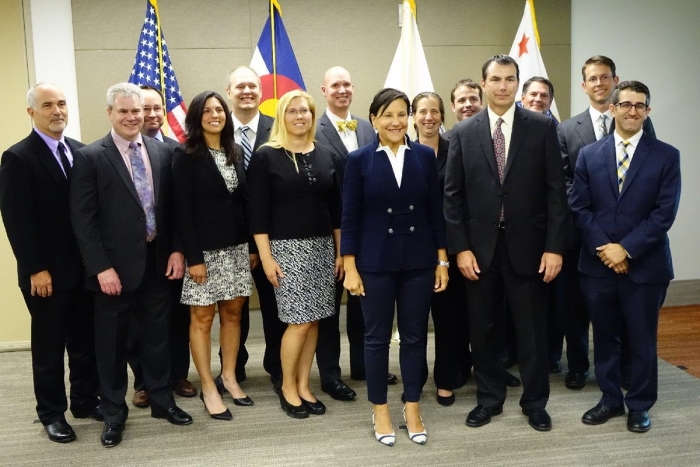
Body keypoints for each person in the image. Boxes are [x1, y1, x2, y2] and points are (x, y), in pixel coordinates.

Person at [444, 55, 568, 432]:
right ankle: (489, 399)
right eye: (495, 79)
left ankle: (535, 402)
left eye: (510, 79)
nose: (503, 86)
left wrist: (554, 247)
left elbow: (555, 194)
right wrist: (460, 248)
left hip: (530, 249)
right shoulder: (463, 132)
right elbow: (453, 197)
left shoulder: (542, 127)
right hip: (479, 252)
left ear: (517, 83)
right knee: (483, 330)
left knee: (532, 331)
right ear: (483, 84)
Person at [70, 82, 192, 447]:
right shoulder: (91, 156)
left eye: (136, 111)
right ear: (110, 113)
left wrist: (176, 250)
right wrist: (100, 267)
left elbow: (171, 210)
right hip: (113, 272)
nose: (131, 117)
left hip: (157, 264)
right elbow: (83, 219)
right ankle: (113, 413)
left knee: (158, 339)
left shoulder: (161, 151)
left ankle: (161, 399)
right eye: (123, 111)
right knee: (111, 345)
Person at [571, 81, 680, 433]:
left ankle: (639, 404)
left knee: (642, 338)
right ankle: (610, 400)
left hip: (645, 266)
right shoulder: (589, 155)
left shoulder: (666, 155)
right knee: (604, 336)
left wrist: (627, 248)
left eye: (640, 106)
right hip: (599, 266)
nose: (633, 111)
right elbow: (580, 207)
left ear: (647, 112)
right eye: (626, 104)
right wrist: (607, 249)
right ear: (613, 108)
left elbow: (664, 214)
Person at [342, 88, 448, 446]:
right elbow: (350, 216)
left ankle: (413, 406)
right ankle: (381, 409)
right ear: (373, 119)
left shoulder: (423, 156)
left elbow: (435, 212)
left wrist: (441, 259)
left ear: (411, 118)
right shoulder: (358, 160)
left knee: (416, 337)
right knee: (375, 339)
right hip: (375, 262)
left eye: (403, 114)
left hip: (418, 260)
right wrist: (350, 266)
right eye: (388, 114)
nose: (396, 121)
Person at [0, 83, 101, 444]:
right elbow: (17, 221)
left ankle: (86, 401)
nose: (57, 110)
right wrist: (35, 268)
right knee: (49, 347)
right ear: (32, 112)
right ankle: (52, 413)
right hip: (46, 274)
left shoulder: (80, 151)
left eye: (61, 103)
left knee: (83, 342)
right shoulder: (18, 157)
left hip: (83, 270)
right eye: (47, 105)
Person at [557, 55, 655, 390]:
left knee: (626, 316)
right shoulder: (567, 128)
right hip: (582, 234)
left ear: (615, 80)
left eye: (605, 77)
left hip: (627, 240)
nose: (599, 83)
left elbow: (644, 176)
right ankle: (579, 366)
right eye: (592, 79)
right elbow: (566, 181)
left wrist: (623, 245)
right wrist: (598, 233)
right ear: (583, 86)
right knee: (578, 309)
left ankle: (625, 371)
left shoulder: (634, 117)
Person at [248, 90, 342, 419]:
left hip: (322, 249)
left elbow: (337, 210)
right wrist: (267, 256)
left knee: (314, 320)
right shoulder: (266, 156)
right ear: (282, 117)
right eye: (293, 111)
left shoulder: (327, 154)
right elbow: (257, 214)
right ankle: (288, 386)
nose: (300, 116)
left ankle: (304, 385)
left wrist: (340, 253)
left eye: (305, 111)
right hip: (286, 250)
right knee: (298, 322)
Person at [315, 66, 397, 401]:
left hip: (370, 232)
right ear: (324, 91)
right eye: (335, 85)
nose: (342, 89)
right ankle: (331, 376)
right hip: (328, 230)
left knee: (365, 304)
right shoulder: (313, 129)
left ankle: (363, 365)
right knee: (330, 308)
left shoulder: (368, 127)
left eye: (347, 83)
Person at [173, 91, 254, 421]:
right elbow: (182, 211)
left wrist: (249, 246)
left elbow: (244, 203)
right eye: (207, 110)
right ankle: (208, 385)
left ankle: (230, 377)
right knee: (203, 319)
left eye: (219, 109)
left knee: (233, 314)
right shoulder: (186, 155)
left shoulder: (234, 150)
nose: (214, 115)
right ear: (197, 117)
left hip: (236, 249)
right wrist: (194, 258)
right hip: (203, 254)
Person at [128, 85, 196, 409]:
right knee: (136, 322)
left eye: (158, 108)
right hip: (133, 254)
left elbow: (183, 208)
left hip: (170, 251)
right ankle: (143, 381)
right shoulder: (118, 151)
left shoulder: (175, 150)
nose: (153, 114)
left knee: (177, 317)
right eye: (146, 108)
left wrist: (179, 249)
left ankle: (178, 374)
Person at [222, 65, 285, 395]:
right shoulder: (215, 130)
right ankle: (234, 368)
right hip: (228, 241)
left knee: (275, 309)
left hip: (272, 240)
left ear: (261, 93)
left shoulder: (279, 129)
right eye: (239, 86)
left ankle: (277, 369)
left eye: (253, 86)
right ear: (228, 92)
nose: (247, 91)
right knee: (233, 310)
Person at [411, 91, 470, 407]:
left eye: (435, 111)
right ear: (414, 116)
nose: (429, 117)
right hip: (415, 251)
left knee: (448, 322)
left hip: (450, 249)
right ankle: (415, 381)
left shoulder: (455, 150)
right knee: (415, 322)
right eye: (423, 111)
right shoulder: (403, 151)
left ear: (442, 115)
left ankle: (446, 381)